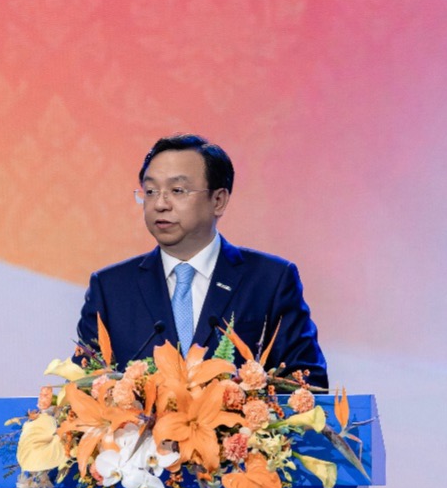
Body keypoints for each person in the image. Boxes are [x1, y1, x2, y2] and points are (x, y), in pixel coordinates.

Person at [76, 134, 328, 388]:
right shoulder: (110, 288)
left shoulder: (270, 281)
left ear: (218, 200)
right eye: (150, 191)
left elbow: (308, 383)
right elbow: (83, 387)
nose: (160, 204)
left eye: (177, 191)